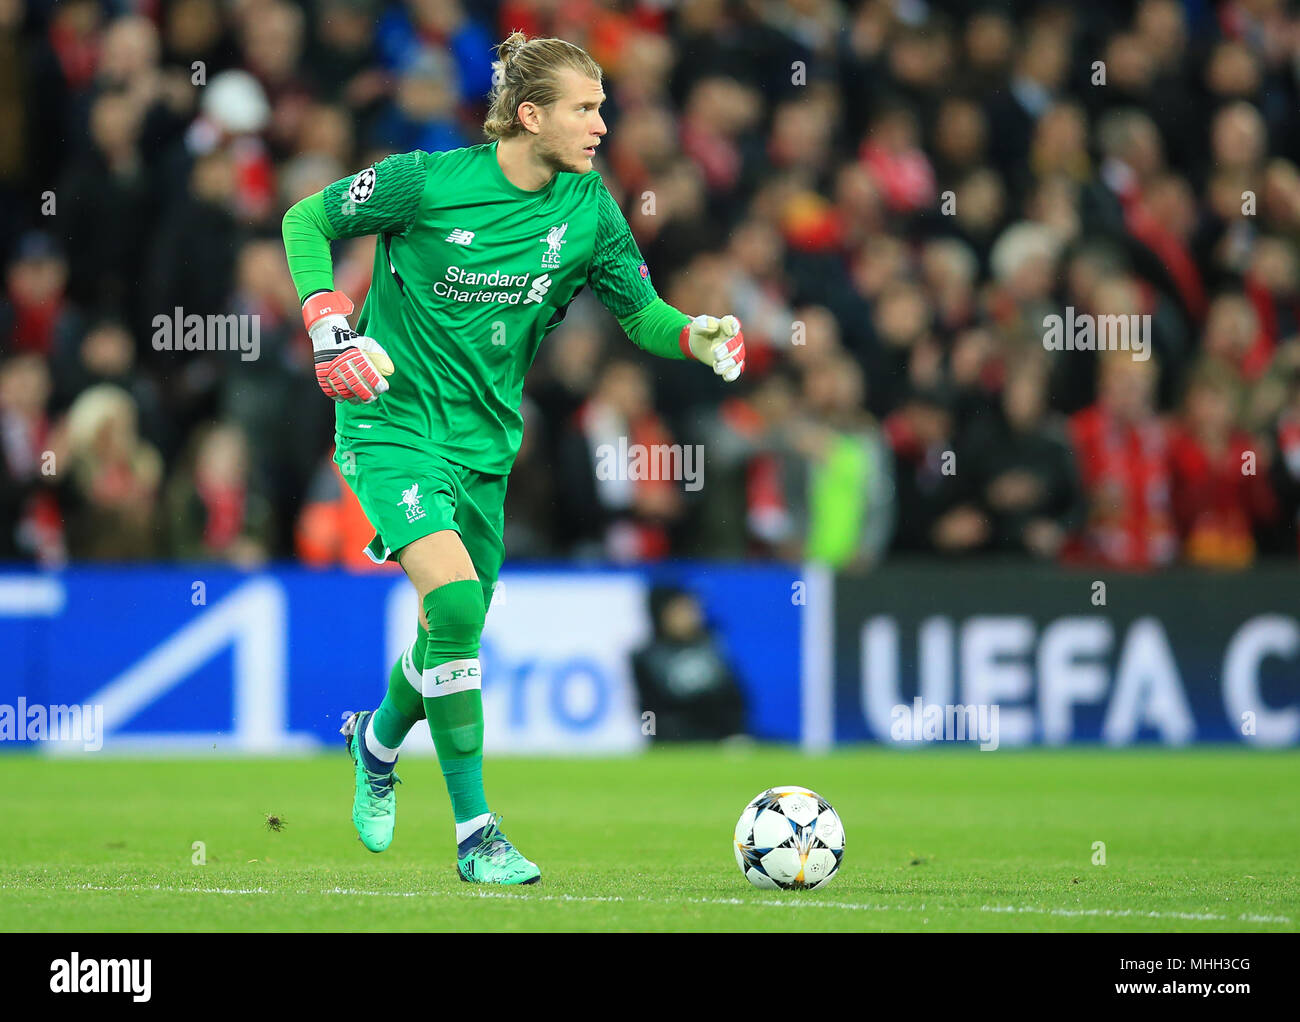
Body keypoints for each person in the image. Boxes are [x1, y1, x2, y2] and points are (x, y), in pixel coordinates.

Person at [280, 32, 746, 885]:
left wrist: (691, 332)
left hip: (487, 448)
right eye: (586, 108)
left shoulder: (590, 207)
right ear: (530, 116)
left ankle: (376, 743)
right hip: (392, 424)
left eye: (603, 107)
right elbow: (305, 217)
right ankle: (476, 835)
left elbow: (636, 311)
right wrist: (327, 322)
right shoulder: (426, 181)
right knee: (454, 603)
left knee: (449, 634)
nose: (603, 125)